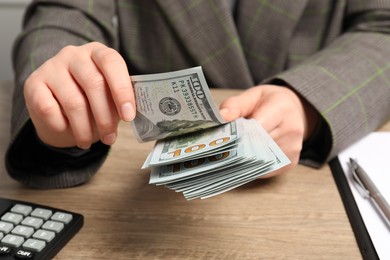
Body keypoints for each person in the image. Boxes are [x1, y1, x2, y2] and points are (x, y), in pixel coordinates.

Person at [6, 0, 390, 189]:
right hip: (142, 173)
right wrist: (61, 96)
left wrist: (307, 100)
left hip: (313, 175)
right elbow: (63, 16)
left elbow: (383, 25)